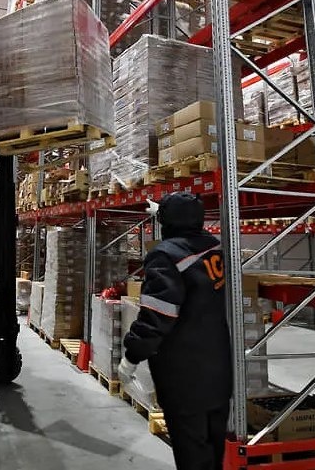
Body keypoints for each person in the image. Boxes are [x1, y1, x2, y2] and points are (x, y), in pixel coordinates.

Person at [118, 192, 232, 470]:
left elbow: (157, 316)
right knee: (213, 449)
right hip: (217, 370)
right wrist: (164, 212)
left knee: (192, 453)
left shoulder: (165, 256)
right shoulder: (213, 249)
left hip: (184, 377)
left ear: (167, 222)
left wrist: (132, 356)